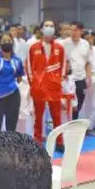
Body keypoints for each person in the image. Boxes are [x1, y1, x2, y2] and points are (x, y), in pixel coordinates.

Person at [26, 19, 66, 147]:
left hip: (54, 87)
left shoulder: (60, 48)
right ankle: (37, 140)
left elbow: (63, 67)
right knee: (38, 117)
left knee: (57, 116)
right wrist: (33, 84)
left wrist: (59, 81)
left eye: (51, 25)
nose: (49, 27)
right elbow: (28, 67)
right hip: (39, 87)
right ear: (42, 29)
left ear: (54, 29)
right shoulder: (33, 47)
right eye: (46, 25)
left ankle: (59, 142)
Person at [62, 22, 92, 119]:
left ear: (81, 32)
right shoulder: (64, 43)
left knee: (78, 105)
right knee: (68, 106)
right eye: (71, 30)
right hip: (67, 80)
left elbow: (88, 62)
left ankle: (74, 124)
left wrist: (88, 77)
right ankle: (67, 124)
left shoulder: (85, 44)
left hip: (81, 79)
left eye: (75, 30)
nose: (72, 32)